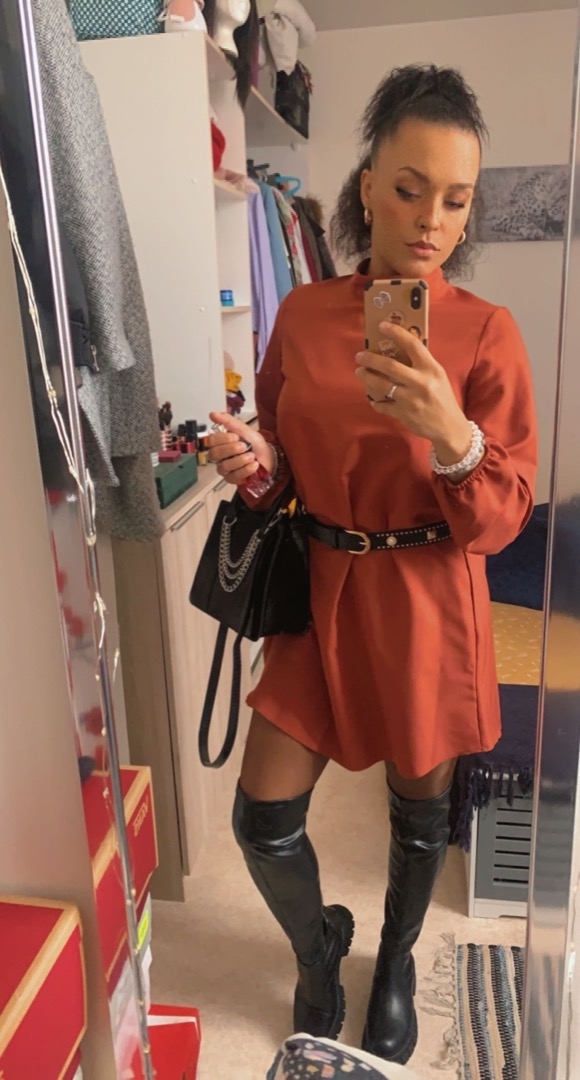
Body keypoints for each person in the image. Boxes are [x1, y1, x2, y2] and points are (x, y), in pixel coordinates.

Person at [208, 64, 538, 1066]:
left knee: (417, 815)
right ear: (367, 186)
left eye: (456, 199)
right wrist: (254, 464)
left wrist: (451, 433)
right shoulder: (305, 316)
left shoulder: (486, 333)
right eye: (408, 187)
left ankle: (393, 960)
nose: (431, 219)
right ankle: (320, 954)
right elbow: (282, 463)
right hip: (319, 594)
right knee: (262, 819)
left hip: (428, 602)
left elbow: (503, 517)